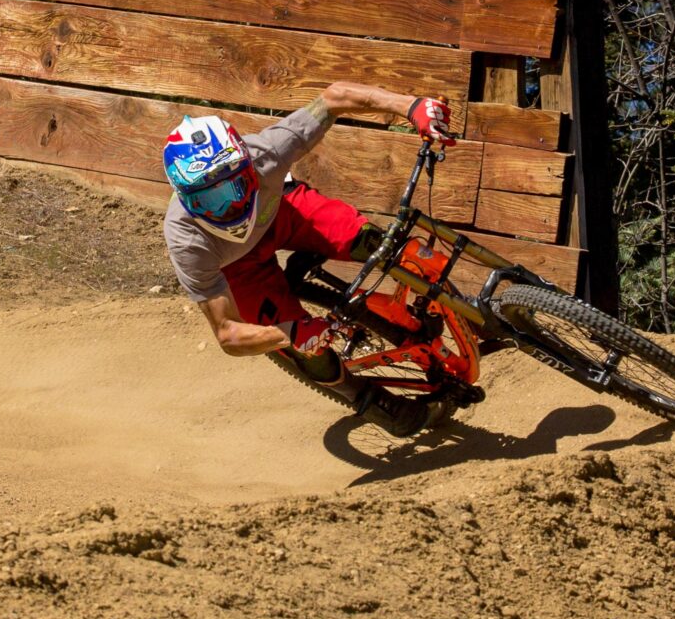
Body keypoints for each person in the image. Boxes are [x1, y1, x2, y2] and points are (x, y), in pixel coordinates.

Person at [161, 83, 456, 395]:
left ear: (249, 165)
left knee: (373, 243)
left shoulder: (267, 152)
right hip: (237, 268)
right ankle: (365, 399)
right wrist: (290, 336)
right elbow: (227, 333)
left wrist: (410, 106)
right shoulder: (185, 241)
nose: (228, 208)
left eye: (234, 188)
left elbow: (334, 98)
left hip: (282, 214)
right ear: (184, 197)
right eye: (210, 201)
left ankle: (456, 315)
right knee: (307, 348)